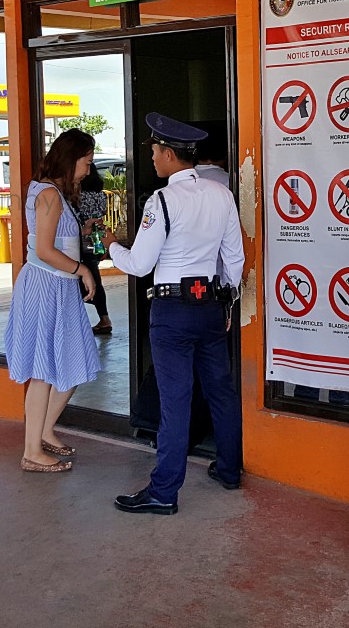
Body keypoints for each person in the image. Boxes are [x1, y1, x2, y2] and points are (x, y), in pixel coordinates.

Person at [106, 112, 245, 515]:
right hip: (211, 304)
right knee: (221, 390)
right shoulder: (222, 195)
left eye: (153, 151)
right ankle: (230, 469)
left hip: (172, 310)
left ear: (169, 154)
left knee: (176, 400)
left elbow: (139, 263)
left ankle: (164, 491)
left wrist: (113, 246)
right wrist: (228, 302)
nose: (151, 158)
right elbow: (233, 258)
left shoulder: (163, 200)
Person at [4, 129, 102, 473]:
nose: (88, 171)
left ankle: (44, 430)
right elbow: (44, 251)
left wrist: (83, 233)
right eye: (86, 163)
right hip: (48, 285)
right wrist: (82, 271)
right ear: (70, 158)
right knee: (43, 369)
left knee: (76, 358)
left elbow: (54, 239)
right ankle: (32, 450)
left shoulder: (49, 191)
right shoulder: (49, 194)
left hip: (56, 286)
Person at [79, 166, 113, 335]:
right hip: (96, 241)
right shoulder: (101, 195)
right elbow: (104, 213)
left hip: (79, 242)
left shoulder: (77, 196)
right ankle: (104, 317)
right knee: (95, 279)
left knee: (79, 280)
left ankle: (85, 320)